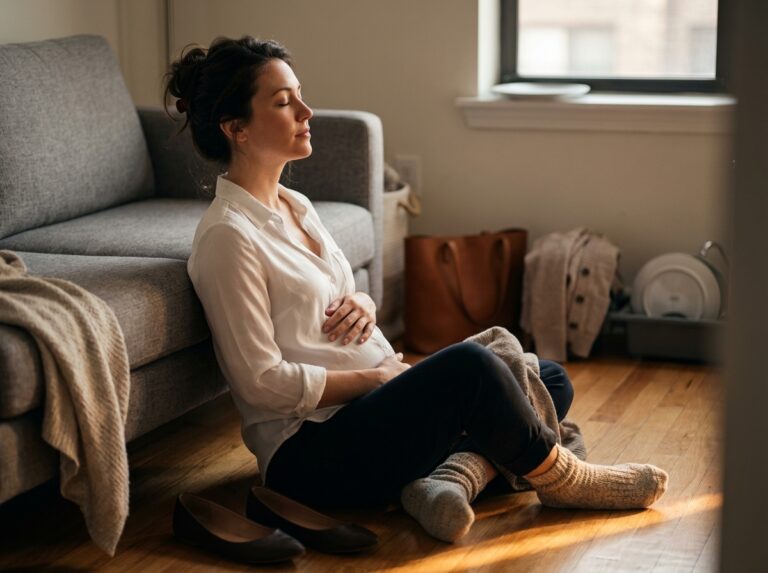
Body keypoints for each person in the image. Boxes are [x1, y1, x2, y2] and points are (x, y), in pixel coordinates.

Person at [167, 36, 668, 544]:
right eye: (283, 102)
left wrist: (363, 302)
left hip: (372, 411)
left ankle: (446, 481)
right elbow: (260, 382)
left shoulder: (295, 205)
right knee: (475, 370)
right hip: (311, 450)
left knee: (548, 378)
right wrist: (375, 378)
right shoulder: (228, 237)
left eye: (300, 94)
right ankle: (562, 479)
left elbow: (333, 295)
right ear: (236, 128)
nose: (306, 110)